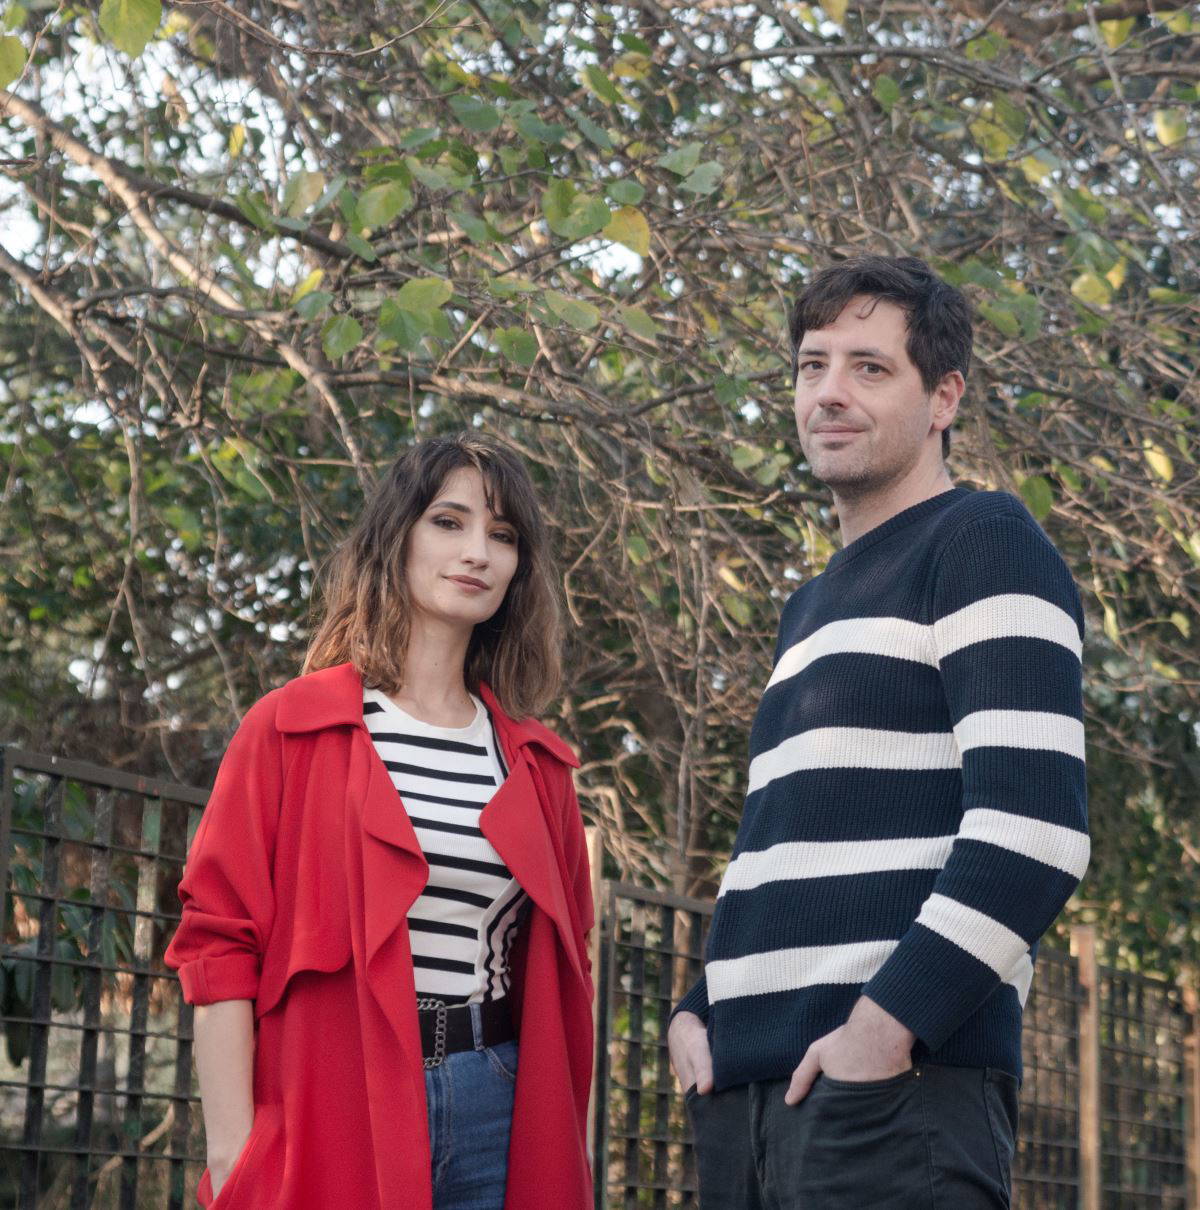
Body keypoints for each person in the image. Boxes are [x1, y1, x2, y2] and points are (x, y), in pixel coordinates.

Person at [668, 255, 1089, 1208]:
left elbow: (1035, 833)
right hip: (745, 1101)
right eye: (812, 365)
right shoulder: (808, 605)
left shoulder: (983, 540)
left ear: (943, 398)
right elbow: (784, 849)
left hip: (891, 1099)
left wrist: (885, 1029)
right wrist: (700, 1011)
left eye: (869, 367)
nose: (829, 392)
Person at [165, 434, 595, 1210]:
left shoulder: (538, 767)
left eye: (502, 535)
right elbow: (219, 943)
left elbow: (568, 978)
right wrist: (231, 1152)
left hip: (494, 1097)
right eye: (449, 522)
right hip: (336, 1096)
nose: (477, 553)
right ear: (397, 536)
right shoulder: (290, 728)